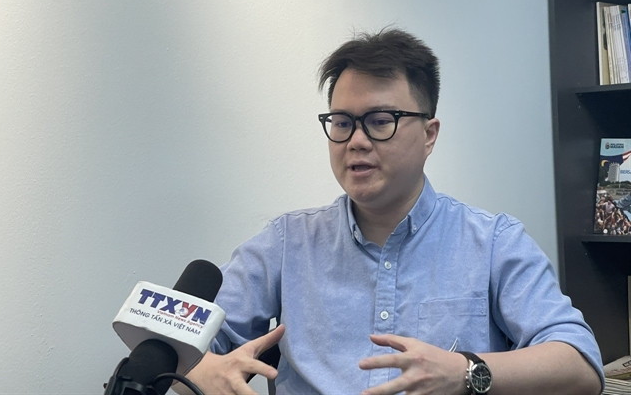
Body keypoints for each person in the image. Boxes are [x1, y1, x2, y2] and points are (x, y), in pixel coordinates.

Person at [177, 28, 603, 395]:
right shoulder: (286, 244)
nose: (356, 141)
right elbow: (169, 350)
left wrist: (465, 371)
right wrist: (199, 371)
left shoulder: (493, 242)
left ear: (429, 135)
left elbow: (581, 365)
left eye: (380, 121)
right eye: (342, 122)